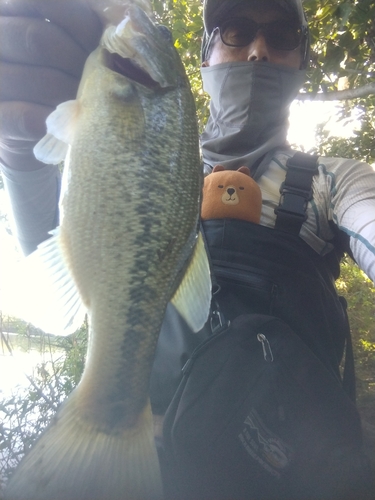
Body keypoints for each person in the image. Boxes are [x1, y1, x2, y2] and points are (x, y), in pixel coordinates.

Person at [0, 0, 374, 497]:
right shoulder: (167, 154)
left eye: (282, 36)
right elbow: (49, 241)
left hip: (293, 469)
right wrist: (18, 154)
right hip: (152, 452)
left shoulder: (339, 179)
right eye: (237, 31)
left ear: (302, 58)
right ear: (205, 53)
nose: (260, 51)